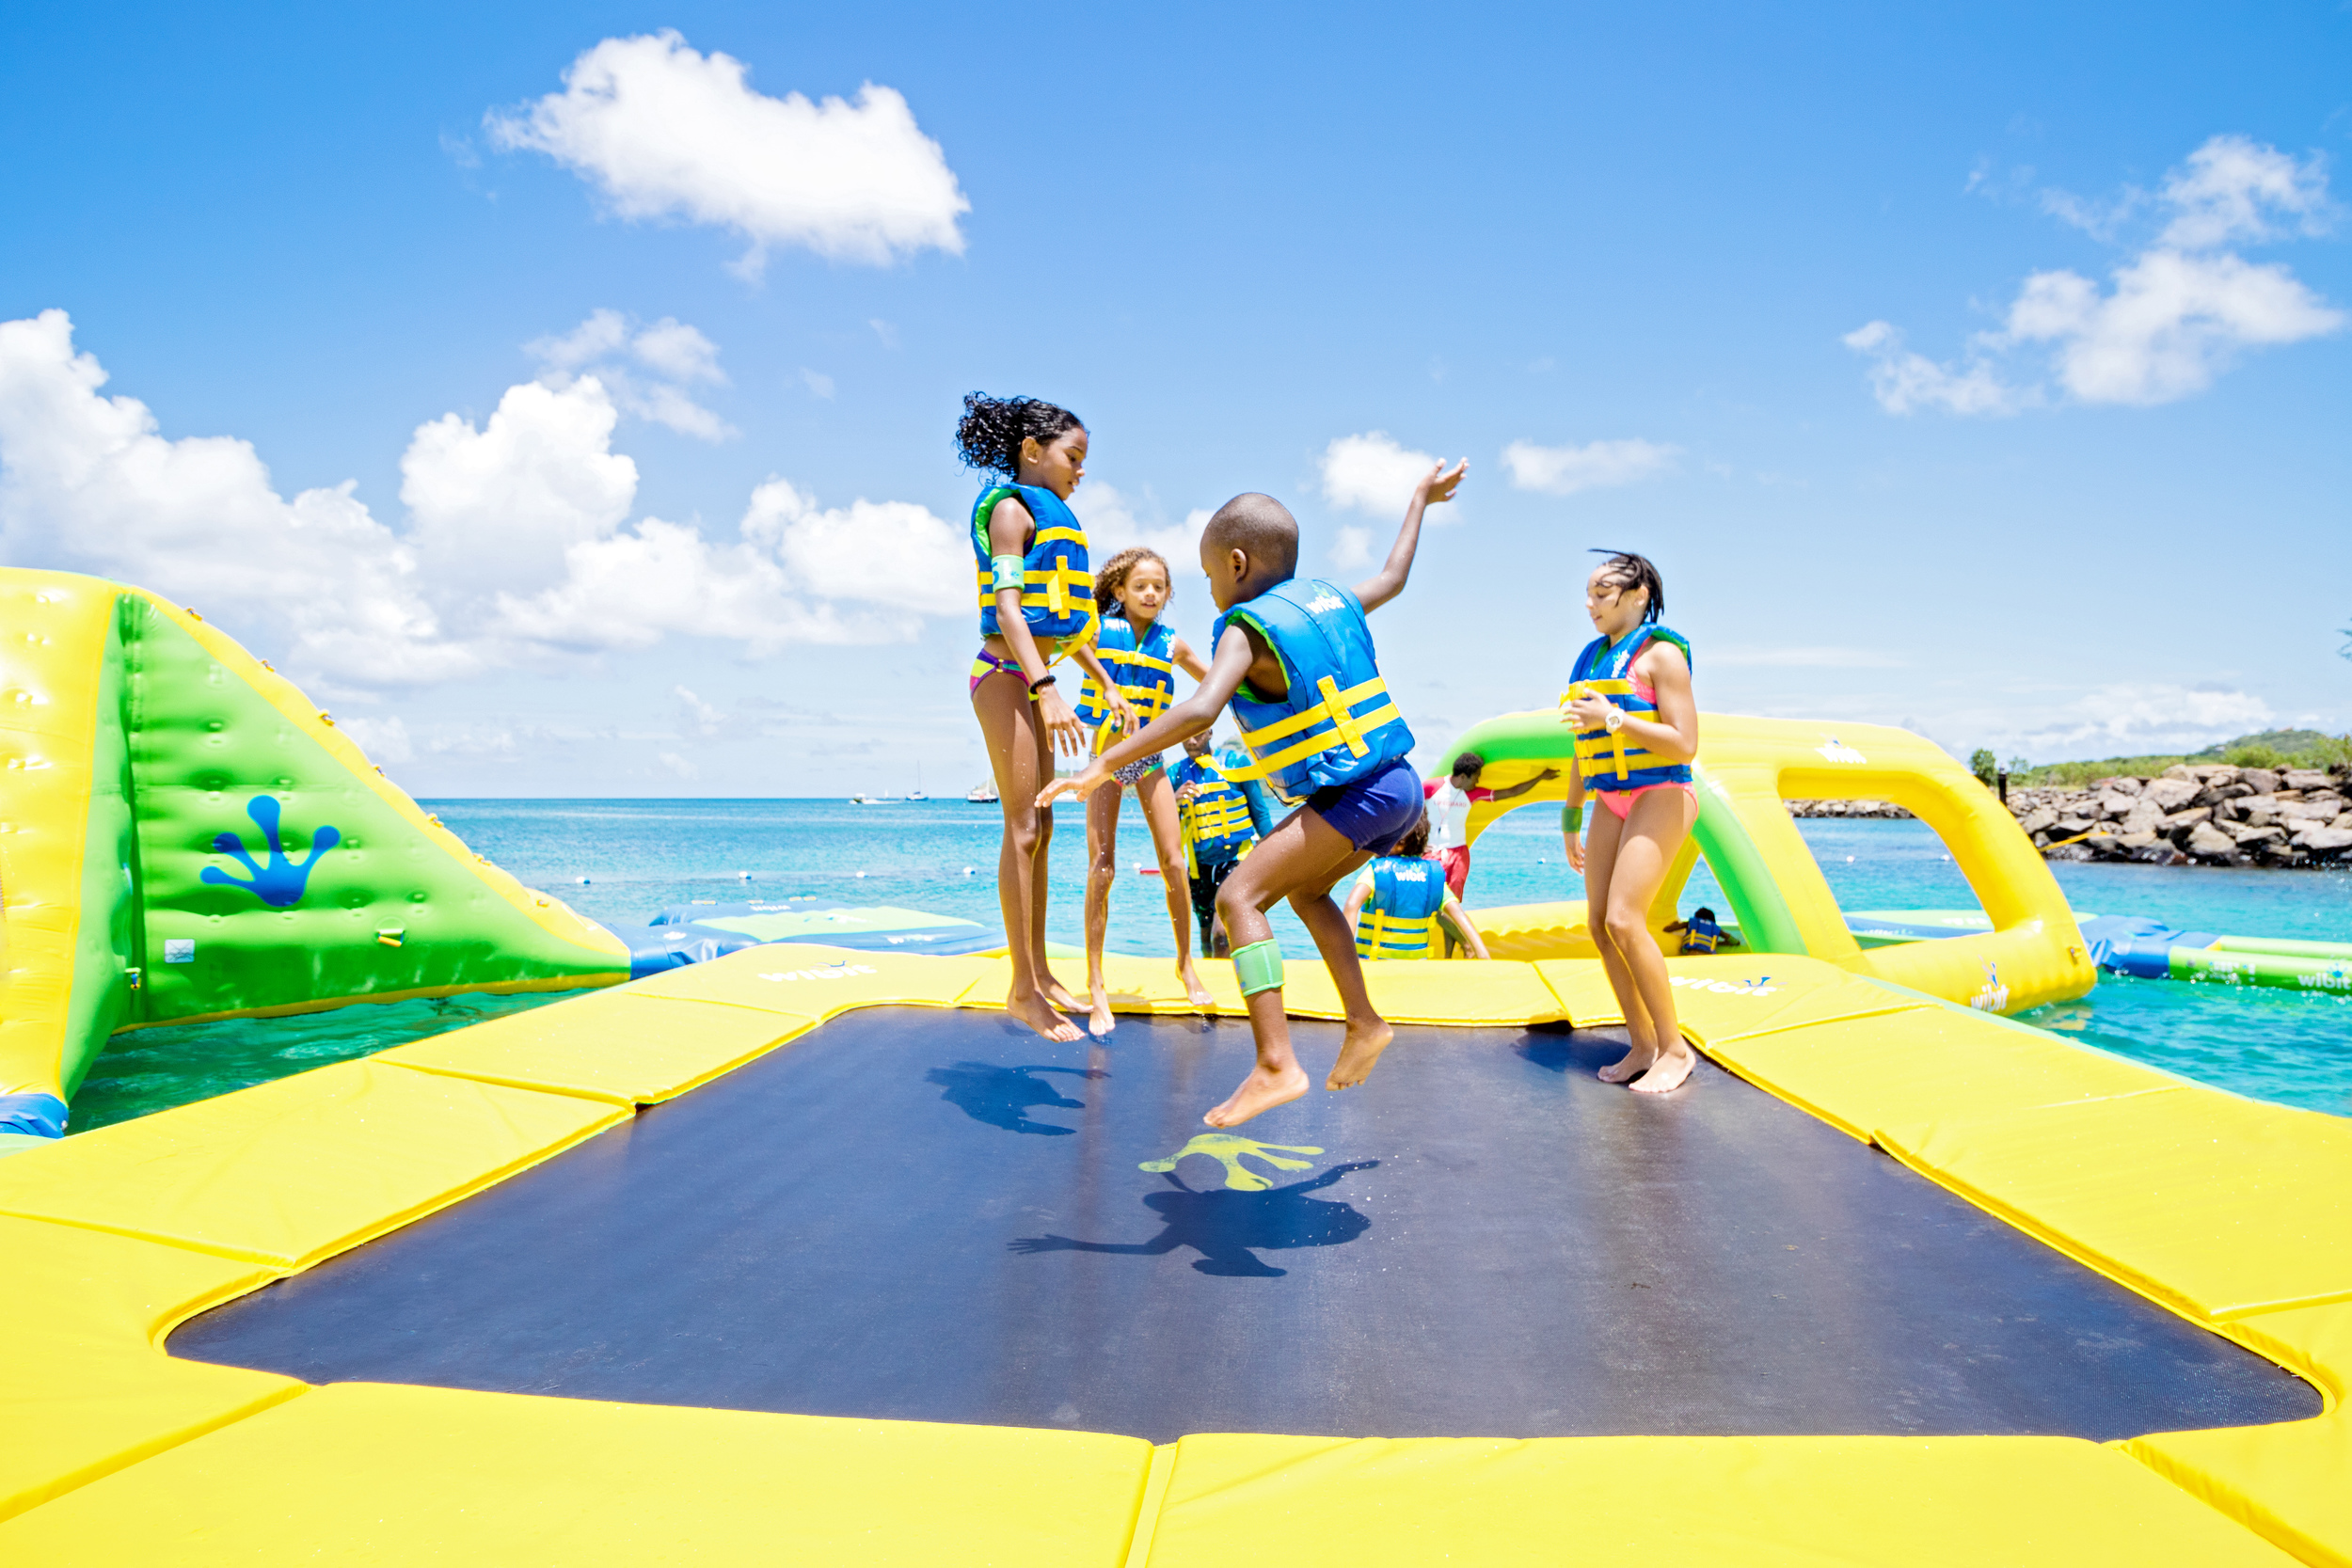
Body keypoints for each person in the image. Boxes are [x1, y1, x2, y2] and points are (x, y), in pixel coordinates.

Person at [1041, 460, 1468, 1129]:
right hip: (1402, 787)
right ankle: (1363, 1022)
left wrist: (1101, 767)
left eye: (1208, 575)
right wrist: (1418, 500)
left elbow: (1200, 710)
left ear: (1236, 564)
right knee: (1306, 892)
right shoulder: (1330, 598)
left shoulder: (1242, 627)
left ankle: (1276, 1062)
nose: (1209, 589)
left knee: (1240, 894)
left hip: (1354, 794)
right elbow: (1394, 575)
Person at [959, 392, 1130, 1043]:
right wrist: (1048, 687)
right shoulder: (1009, 511)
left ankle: (1041, 973)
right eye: (1073, 457)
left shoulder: (1051, 519)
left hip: (1034, 676)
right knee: (1024, 824)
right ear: (1032, 452)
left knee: (1046, 825)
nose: (1080, 472)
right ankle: (1021, 988)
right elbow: (1009, 610)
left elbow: (1061, 618)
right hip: (1004, 676)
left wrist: (1105, 682)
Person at [1560, 549, 1700, 1092]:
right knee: (1598, 923)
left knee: (1624, 919)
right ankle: (1642, 1044)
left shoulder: (1662, 658)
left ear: (1638, 597)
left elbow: (1684, 744)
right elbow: (1583, 743)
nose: (1590, 603)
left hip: (1661, 792)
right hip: (1609, 797)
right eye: (1588, 593)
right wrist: (1570, 815)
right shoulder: (1590, 660)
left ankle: (1674, 1049)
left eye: (1602, 592)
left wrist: (1614, 716)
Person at [1073, 546, 1216, 1033]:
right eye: (1140, 586)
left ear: (1169, 593)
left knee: (1175, 862)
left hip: (1149, 759)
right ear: (1120, 592)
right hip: (1103, 757)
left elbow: (1218, 682)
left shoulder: (1172, 644)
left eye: (1159, 587)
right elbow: (1067, 639)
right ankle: (1095, 984)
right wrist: (1105, 685)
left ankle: (1185, 964)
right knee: (1103, 866)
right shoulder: (1097, 630)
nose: (1150, 593)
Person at [1343, 810, 1490, 961]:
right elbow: (1458, 914)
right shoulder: (1433, 875)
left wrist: (1347, 959)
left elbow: (1351, 905)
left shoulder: (1377, 871)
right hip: (1416, 968)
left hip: (1374, 965)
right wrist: (1483, 955)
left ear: (1399, 841)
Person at [1423, 751, 1557, 917]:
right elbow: (1407, 808)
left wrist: (1540, 777)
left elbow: (1512, 791)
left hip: (1459, 853)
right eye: (1476, 777)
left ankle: (1454, 944)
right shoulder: (1431, 786)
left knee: (1453, 907)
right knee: (1432, 904)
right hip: (1432, 854)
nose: (1478, 781)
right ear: (1464, 776)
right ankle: (1464, 942)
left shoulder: (1472, 793)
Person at [1170, 730, 1259, 958]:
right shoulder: (1176, 774)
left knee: (1221, 933)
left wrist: (1275, 856)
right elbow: (1160, 821)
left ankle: (1227, 988)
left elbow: (1260, 813)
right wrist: (1174, 800)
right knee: (1206, 937)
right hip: (1200, 869)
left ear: (1209, 732)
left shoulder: (1236, 763)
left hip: (1236, 859)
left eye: (1197, 734)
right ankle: (1213, 984)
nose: (1190, 740)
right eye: (1186, 735)